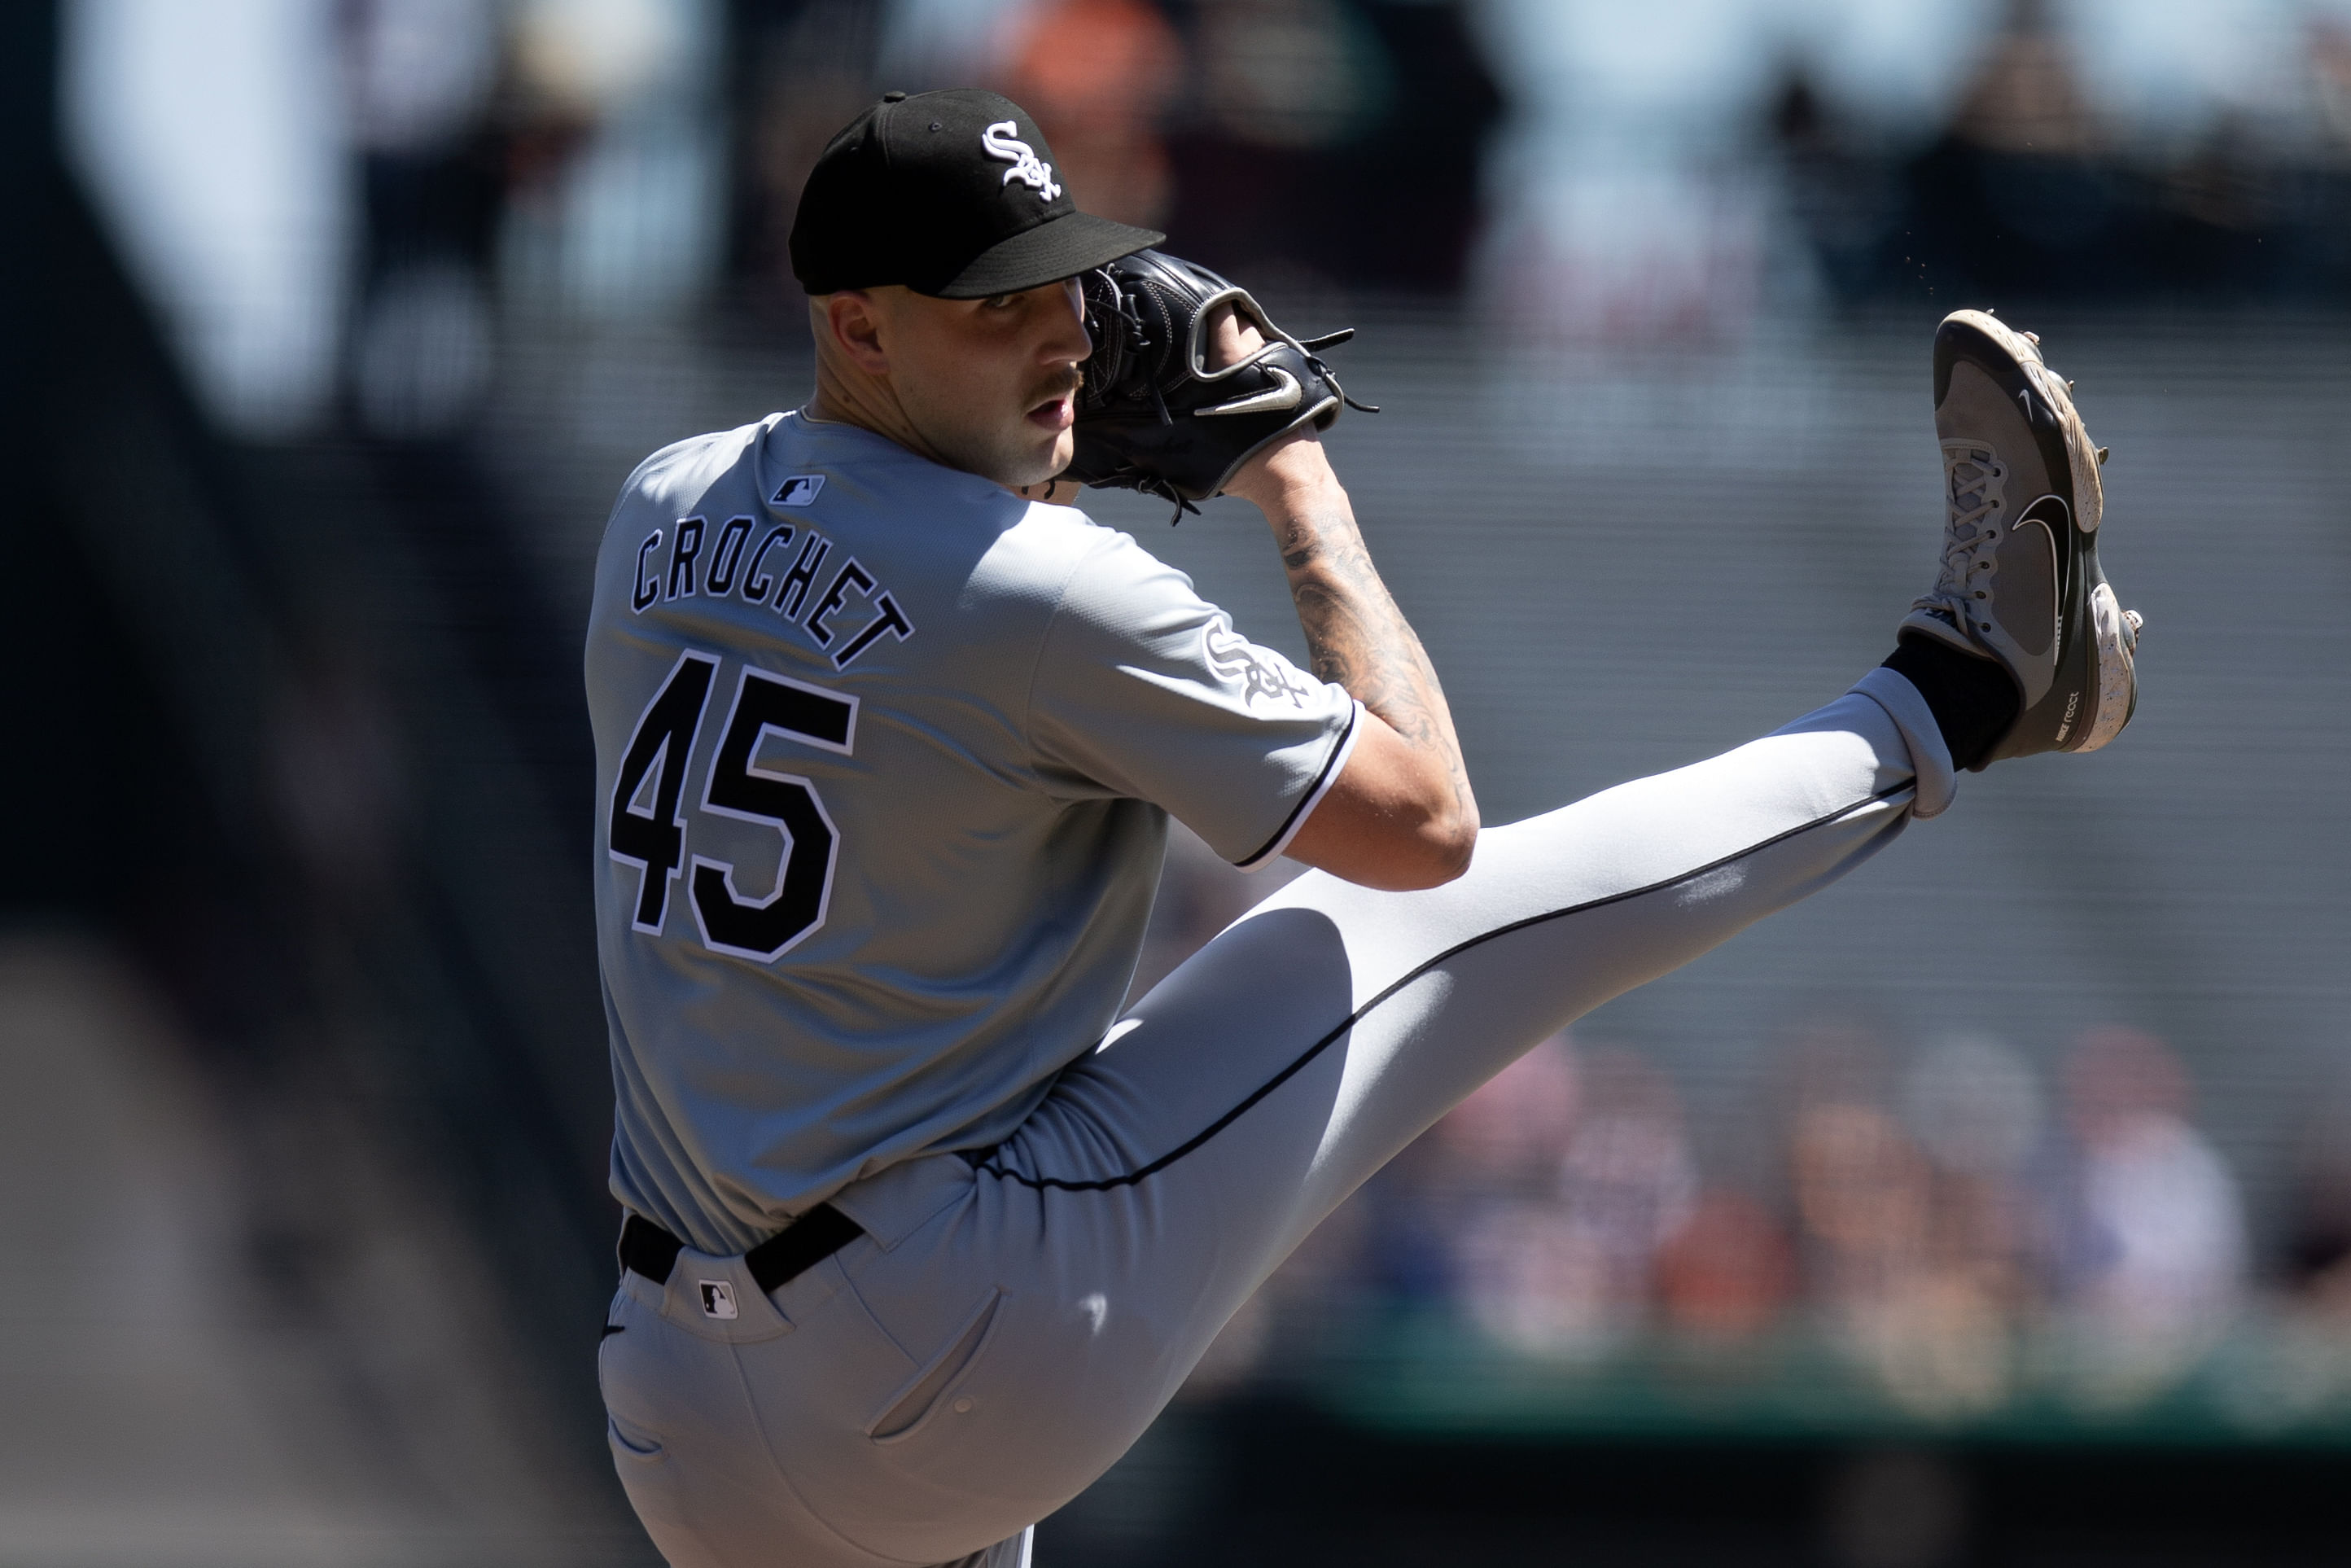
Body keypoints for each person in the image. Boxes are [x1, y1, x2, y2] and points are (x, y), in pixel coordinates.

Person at [585, 89, 2139, 1568]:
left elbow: (909, 670)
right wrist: (1298, 489)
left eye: (1064, 280)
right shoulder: (1043, 592)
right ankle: (1965, 686)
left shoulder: (659, 506)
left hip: (676, 1417)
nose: (1064, 334)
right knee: (1382, 929)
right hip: (938, 1341)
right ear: (854, 322)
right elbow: (1425, 824)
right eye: (997, 305)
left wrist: (1035, 477)